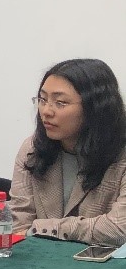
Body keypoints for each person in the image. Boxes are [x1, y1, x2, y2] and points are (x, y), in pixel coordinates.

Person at [11, 58, 126, 246]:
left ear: (95, 108)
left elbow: (119, 229)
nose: (46, 111)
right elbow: (18, 224)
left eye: (60, 103)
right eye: (42, 100)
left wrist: (47, 228)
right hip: (42, 258)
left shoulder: (121, 155)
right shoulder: (32, 149)